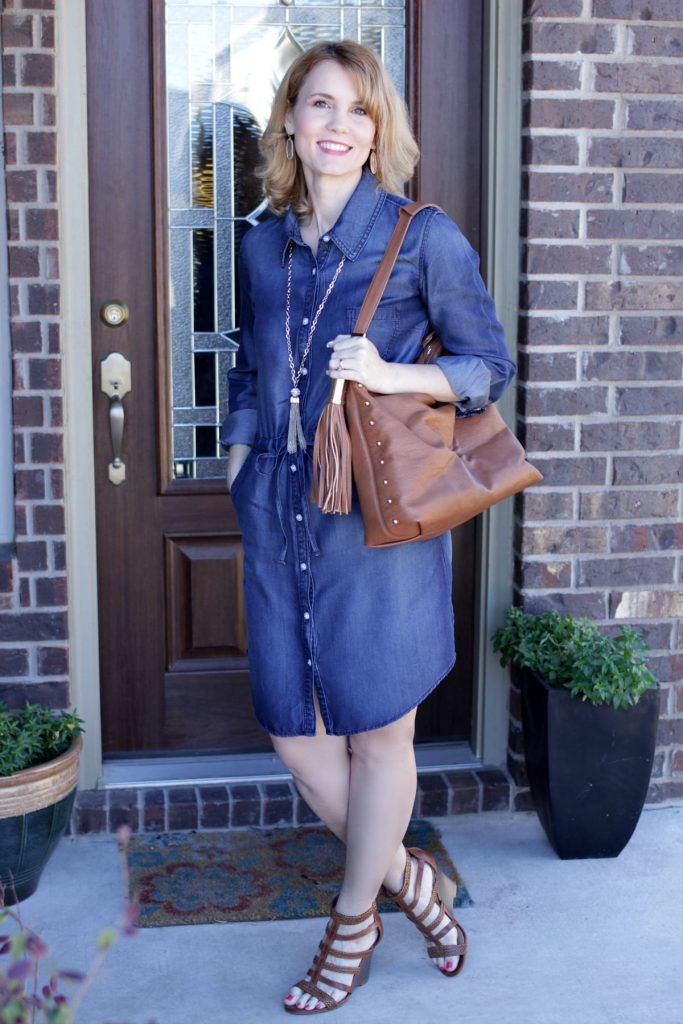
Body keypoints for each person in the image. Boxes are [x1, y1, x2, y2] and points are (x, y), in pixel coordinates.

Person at [221, 39, 516, 1015]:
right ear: (290, 124)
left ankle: (352, 921)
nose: (335, 125)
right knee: (294, 730)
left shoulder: (419, 235)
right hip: (276, 513)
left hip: (375, 521)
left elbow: (485, 365)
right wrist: (237, 461)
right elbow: (246, 367)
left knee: (376, 734)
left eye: (355, 108)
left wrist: (391, 375)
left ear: (376, 127)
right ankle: (413, 885)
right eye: (317, 106)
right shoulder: (261, 242)